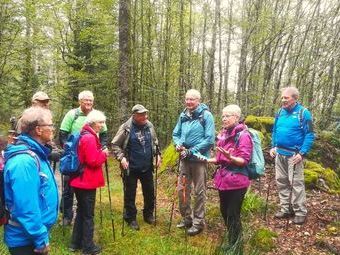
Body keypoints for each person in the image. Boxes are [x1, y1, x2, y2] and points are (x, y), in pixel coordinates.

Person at [3, 107, 58, 255]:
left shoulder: (37, 153)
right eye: (50, 125)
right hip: (26, 240)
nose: (53, 128)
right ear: (38, 130)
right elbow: (26, 207)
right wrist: (40, 238)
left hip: (32, 235)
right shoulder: (24, 162)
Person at [207, 105, 252, 253]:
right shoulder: (223, 134)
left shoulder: (244, 135)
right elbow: (220, 159)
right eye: (223, 116)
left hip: (238, 182)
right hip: (224, 181)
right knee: (224, 211)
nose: (224, 119)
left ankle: (237, 245)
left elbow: (244, 160)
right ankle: (233, 239)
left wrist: (230, 157)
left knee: (233, 214)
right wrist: (205, 160)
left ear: (237, 118)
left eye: (228, 116)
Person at [59, 90, 108, 225]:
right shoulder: (72, 114)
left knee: (85, 186)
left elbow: (104, 135)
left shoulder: (97, 116)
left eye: (91, 100)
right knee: (69, 187)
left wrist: (102, 148)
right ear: (80, 101)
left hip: (90, 154)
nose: (88, 103)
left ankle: (83, 214)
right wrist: (69, 151)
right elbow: (62, 134)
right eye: (86, 100)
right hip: (74, 157)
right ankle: (67, 216)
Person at [111, 104, 161, 230]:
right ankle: (130, 217)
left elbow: (155, 142)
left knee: (150, 192)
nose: (145, 116)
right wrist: (121, 158)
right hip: (130, 167)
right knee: (130, 194)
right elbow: (115, 144)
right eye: (142, 114)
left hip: (147, 166)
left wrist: (158, 155)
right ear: (134, 115)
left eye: (145, 114)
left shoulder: (149, 126)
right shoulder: (126, 127)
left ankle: (148, 214)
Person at [172, 89, 215, 236]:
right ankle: (186, 218)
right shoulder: (183, 115)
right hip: (184, 159)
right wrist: (177, 144)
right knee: (182, 189)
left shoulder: (206, 116)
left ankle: (198, 222)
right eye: (187, 99)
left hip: (199, 159)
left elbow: (209, 140)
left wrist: (192, 151)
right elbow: (176, 133)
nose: (189, 102)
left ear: (199, 100)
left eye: (192, 99)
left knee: (199, 191)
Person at [270, 86, 315, 225]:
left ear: (295, 98)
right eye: (282, 97)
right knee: (281, 181)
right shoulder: (280, 112)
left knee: (296, 184)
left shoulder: (304, 113)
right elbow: (275, 131)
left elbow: (310, 134)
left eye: (286, 98)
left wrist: (302, 153)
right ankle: (285, 208)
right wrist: (273, 146)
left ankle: (300, 212)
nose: (283, 100)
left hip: (294, 155)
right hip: (280, 153)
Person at [69, 110, 109, 255]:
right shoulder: (89, 138)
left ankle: (75, 243)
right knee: (88, 215)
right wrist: (104, 154)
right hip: (86, 181)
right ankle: (88, 247)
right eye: (100, 122)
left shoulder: (84, 134)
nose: (102, 125)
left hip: (79, 180)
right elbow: (93, 161)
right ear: (93, 122)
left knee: (81, 212)